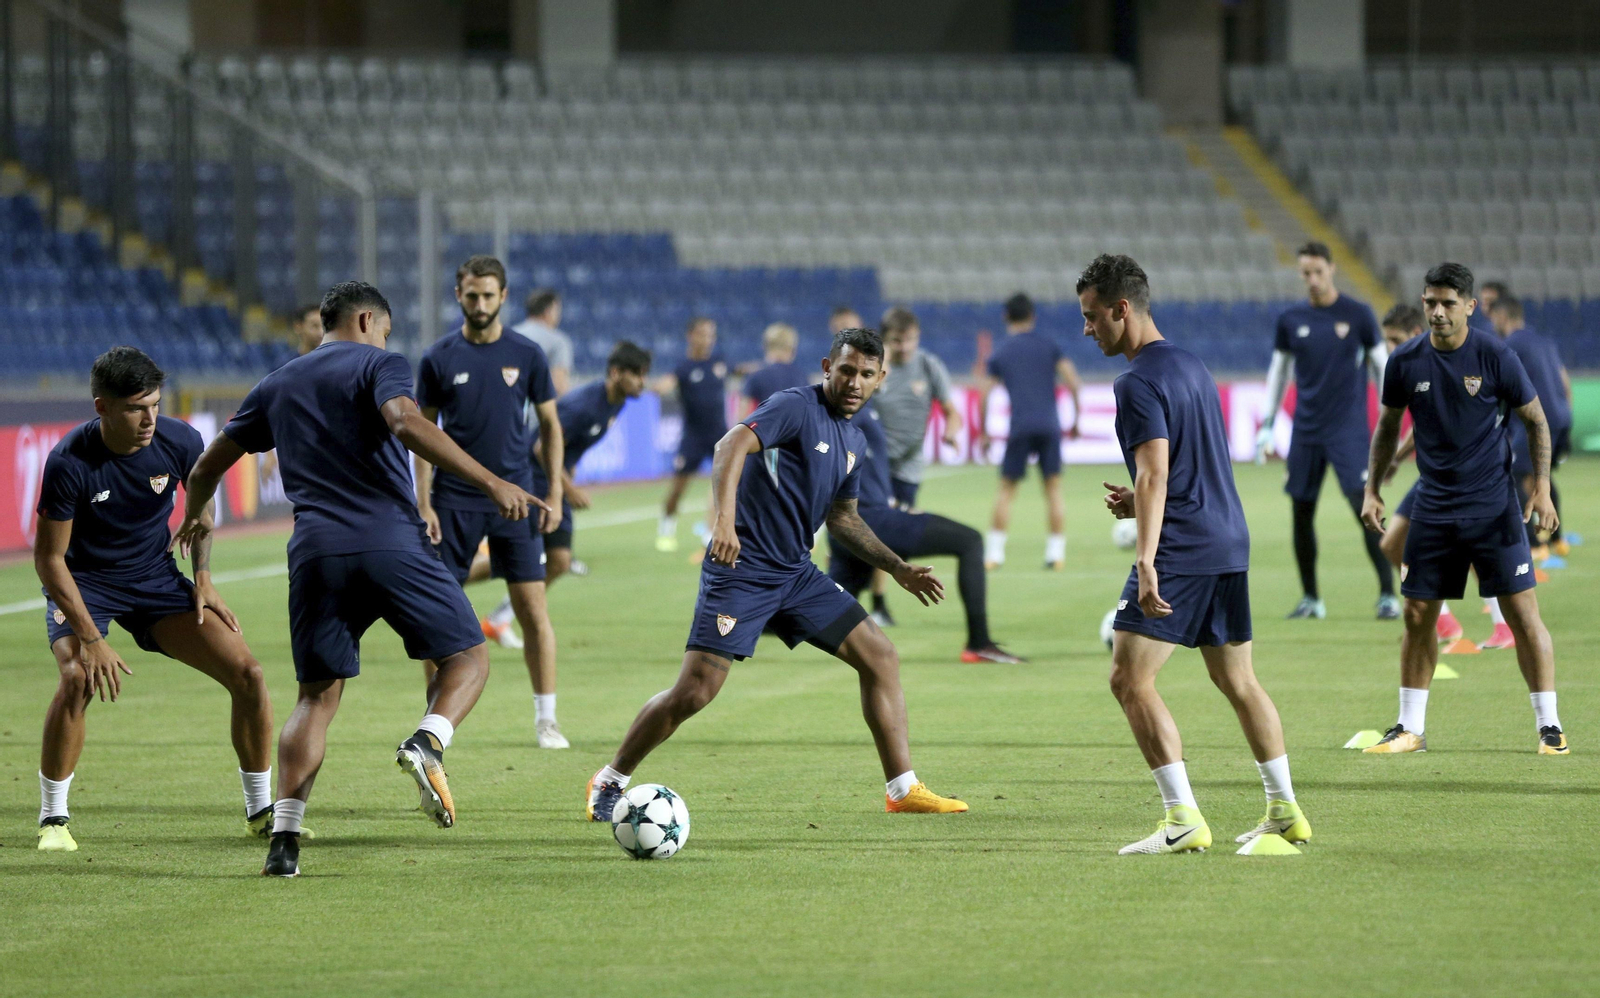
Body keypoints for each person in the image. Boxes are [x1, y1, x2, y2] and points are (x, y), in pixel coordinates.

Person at [176, 281, 545, 877]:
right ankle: (427, 742)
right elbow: (404, 422)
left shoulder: (278, 382)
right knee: (470, 658)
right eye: (386, 331)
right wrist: (491, 481)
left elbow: (204, 469)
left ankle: (285, 843)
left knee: (316, 700)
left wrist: (199, 537)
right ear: (369, 319)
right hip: (390, 541)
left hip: (316, 551)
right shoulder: (381, 364)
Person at [585, 328, 968, 821]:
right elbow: (729, 446)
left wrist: (895, 567)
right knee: (695, 691)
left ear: (880, 380)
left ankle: (902, 789)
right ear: (828, 368)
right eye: (846, 370)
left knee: (881, 656)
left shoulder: (854, 437)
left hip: (796, 573)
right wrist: (723, 522)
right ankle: (611, 777)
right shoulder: (795, 406)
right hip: (742, 569)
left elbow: (843, 518)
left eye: (866, 374)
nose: (854, 381)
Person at [1082, 254, 1311, 855]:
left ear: (1120, 309)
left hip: (1181, 548)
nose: (1087, 329)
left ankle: (1181, 817)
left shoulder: (1134, 382)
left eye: (1091, 316)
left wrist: (1146, 556)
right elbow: (1186, 466)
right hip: (1227, 538)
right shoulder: (1190, 365)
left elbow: (1156, 473)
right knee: (1237, 679)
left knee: (1129, 678)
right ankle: (1285, 811)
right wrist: (1141, 501)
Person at [31, 347, 276, 852]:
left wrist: (203, 577)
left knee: (249, 674)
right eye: (134, 408)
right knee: (78, 676)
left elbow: (202, 513)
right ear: (101, 407)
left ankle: (261, 812)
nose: (149, 419)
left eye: (156, 405)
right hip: (85, 584)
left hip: (154, 581)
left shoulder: (180, 440)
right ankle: (53, 819)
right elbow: (50, 562)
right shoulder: (68, 462)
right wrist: (92, 638)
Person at [1359, 262, 1567, 756]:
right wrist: (1373, 488)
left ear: (1470, 307)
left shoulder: (1496, 355)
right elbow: (1388, 428)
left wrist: (1541, 489)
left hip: (1493, 506)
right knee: (1416, 614)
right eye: (1430, 302)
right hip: (1433, 505)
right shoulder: (1405, 361)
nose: (1437, 311)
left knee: (1522, 614)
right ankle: (1410, 728)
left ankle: (1550, 727)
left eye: (1448, 303)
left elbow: (1537, 421)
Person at [415, 256, 568, 750]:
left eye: (488, 295)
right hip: (454, 501)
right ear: (458, 295)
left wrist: (555, 494)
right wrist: (423, 502)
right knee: (438, 617)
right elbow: (421, 434)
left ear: (503, 297)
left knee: (532, 610)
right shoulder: (438, 358)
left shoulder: (527, 354)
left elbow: (550, 426)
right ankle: (434, 723)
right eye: (471, 294)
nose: (479, 303)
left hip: (518, 501)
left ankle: (547, 719)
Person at [1256, 242, 1396, 620]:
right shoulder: (1291, 320)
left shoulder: (1358, 315)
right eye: (1306, 273)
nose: (1313, 279)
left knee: (1364, 509)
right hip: (1306, 431)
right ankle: (1311, 599)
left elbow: (1382, 366)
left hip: (1348, 431)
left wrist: (1390, 416)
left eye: (1318, 271)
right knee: (1301, 512)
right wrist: (1268, 423)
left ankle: (1388, 595)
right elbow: (1278, 372)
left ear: (1332, 269)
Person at [827, 397, 1021, 664]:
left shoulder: (864, 412)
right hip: (867, 522)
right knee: (970, 540)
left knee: (811, 610)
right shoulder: (846, 413)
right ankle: (979, 643)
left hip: (855, 524)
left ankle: (753, 620)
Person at [865, 306, 962, 626]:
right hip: (870, 466)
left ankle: (878, 603)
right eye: (896, 341)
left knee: (890, 539)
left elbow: (952, 410)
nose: (904, 347)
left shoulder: (928, 365)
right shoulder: (874, 368)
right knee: (852, 530)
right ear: (885, 340)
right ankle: (844, 599)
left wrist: (950, 431)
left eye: (910, 340)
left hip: (908, 469)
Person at [532, 341, 653, 585]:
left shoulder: (617, 402)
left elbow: (571, 443)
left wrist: (571, 466)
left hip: (552, 478)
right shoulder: (583, 406)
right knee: (516, 560)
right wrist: (569, 488)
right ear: (616, 373)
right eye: (637, 375)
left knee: (559, 561)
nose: (643, 382)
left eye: (645, 375)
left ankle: (498, 618)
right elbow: (540, 448)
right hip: (532, 478)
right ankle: (450, 584)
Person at [981, 293, 1080, 571]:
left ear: (1005, 317)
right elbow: (1073, 381)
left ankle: (994, 555)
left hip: (1021, 426)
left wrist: (985, 431)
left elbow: (985, 393)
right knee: (1053, 490)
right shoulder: (1049, 345)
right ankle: (1056, 554)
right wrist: (1076, 419)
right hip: (1049, 425)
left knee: (1006, 489)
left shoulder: (1002, 351)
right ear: (1032, 317)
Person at [1492, 295, 1573, 567]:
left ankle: (1538, 544)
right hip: (1561, 415)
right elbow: (1564, 379)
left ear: (1502, 317)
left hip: (1539, 420)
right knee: (1541, 475)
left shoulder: (1511, 343)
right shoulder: (1543, 340)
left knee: (1516, 477)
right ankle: (1558, 539)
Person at [656, 317, 727, 553]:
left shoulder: (720, 362)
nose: (707, 339)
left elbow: (742, 371)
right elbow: (667, 383)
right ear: (691, 336)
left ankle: (714, 532)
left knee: (725, 485)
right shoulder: (684, 367)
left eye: (711, 334)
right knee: (678, 488)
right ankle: (666, 528)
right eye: (703, 334)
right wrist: (655, 386)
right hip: (693, 437)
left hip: (720, 436)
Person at [512, 289, 574, 395]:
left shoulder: (511, 335)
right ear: (548, 311)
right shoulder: (558, 341)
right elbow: (559, 385)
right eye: (557, 311)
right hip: (538, 409)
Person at [741, 322, 810, 414]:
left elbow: (742, 417)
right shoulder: (801, 378)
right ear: (792, 349)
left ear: (765, 346)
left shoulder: (756, 376)